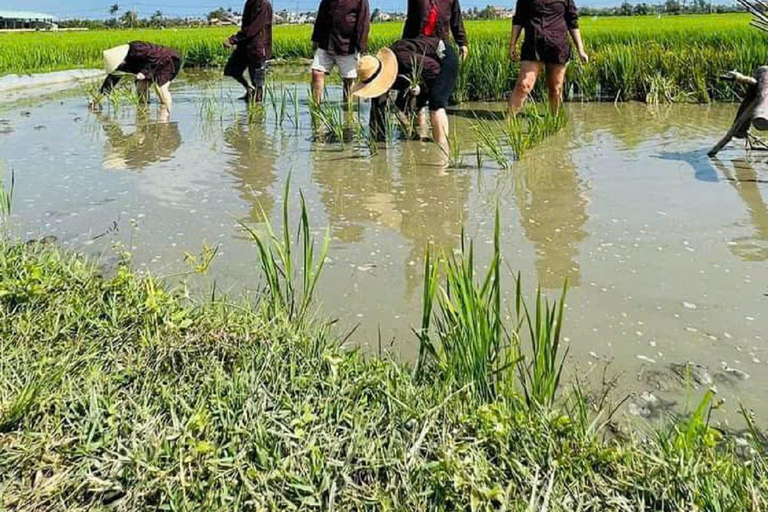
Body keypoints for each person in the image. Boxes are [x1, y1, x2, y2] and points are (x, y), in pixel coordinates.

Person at [352, 36, 459, 155]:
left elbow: (434, 69)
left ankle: (442, 150)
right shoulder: (377, 70)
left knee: (436, 101)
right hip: (417, 69)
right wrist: (378, 143)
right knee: (400, 102)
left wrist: (420, 88)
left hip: (443, 58)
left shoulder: (405, 59)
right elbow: (377, 114)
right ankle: (416, 135)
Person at [507, 0, 588, 114]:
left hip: (557, 46)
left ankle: (555, 121)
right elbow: (518, 20)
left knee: (555, 89)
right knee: (524, 85)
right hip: (533, 45)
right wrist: (512, 45)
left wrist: (581, 49)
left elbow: (572, 22)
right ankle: (509, 122)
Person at [310, 0, 370, 105]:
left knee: (349, 79)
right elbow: (320, 17)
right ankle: (316, 105)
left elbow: (363, 23)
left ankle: (348, 110)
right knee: (317, 72)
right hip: (326, 42)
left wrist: (362, 46)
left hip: (348, 44)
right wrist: (316, 39)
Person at [96, 42, 181, 114]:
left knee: (160, 87)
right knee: (141, 88)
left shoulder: (137, 48)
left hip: (168, 60)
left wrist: (144, 72)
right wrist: (97, 99)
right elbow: (110, 82)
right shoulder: (121, 66)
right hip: (150, 66)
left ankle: (164, 116)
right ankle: (144, 112)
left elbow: (154, 56)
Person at [224, 0, 273, 103]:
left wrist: (233, 39)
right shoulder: (249, 2)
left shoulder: (264, 4)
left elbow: (253, 29)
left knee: (257, 81)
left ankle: (258, 111)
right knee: (232, 70)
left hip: (258, 47)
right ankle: (249, 89)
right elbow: (247, 27)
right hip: (244, 45)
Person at [402, 0, 468, 61]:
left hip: (440, 44)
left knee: (443, 68)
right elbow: (410, 20)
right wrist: (405, 44)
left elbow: (456, 19)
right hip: (419, 44)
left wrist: (462, 43)